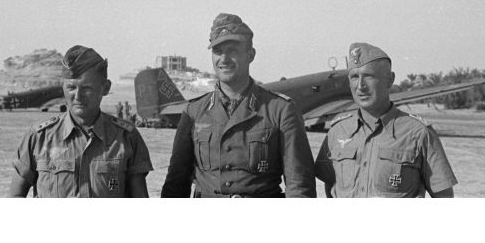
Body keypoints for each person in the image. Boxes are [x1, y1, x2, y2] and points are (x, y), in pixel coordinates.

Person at [161, 13, 316, 198]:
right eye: (217, 51)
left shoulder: (280, 110)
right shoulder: (194, 112)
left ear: (250, 55)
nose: (224, 59)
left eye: (232, 50)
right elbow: (176, 185)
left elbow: (299, 184)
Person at [315, 42, 457, 198]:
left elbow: (444, 196)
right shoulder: (337, 131)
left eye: (369, 76)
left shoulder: (418, 133)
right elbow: (330, 186)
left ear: (390, 79)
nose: (360, 86)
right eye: (354, 77)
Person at [8, 45, 153, 198]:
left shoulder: (126, 138)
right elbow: (15, 196)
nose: (77, 96)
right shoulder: (39, 138)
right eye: (71, 87)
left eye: (87, 88)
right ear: (62, 87)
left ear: (105, 88)